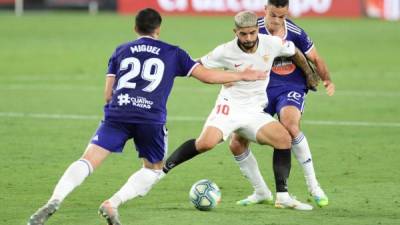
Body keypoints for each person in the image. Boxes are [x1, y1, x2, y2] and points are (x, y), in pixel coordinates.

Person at [27, 8, 267, 225]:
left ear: (135, 28)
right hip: (150, 119)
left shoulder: (121, 50)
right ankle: (113, 203)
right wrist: (242, 75)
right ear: (158, 29)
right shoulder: (173, 52)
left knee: (88, 160)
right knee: (153, 169)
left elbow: (108, 94)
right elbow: (207, 76)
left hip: (118, 114)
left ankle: (55, 198)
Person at [162, 10, 315, 211]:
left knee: (284, 139)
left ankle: (282, 196)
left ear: (257, 30)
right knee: (206, 143)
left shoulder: (272, 43)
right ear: (236, 32)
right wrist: (233, 76)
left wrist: (309, 74)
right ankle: (161, 169)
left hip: (254, 110)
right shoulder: (224, 51)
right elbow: (196, 66)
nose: (249, 38)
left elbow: (294, 51)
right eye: (243, 34)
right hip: (229, 106)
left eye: (252, 33)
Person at [230, 0, 335, 208]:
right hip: (260, 89)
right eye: (273, 15)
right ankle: (260, 191)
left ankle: (314, 186)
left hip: (290, 86)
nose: (277, 21)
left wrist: (327, 79)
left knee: (291, 126)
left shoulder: (295, 32)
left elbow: (315, 58)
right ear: (265, 9)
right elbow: (235, 55)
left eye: (282, 16)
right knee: (236, 143)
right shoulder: (252, 30)